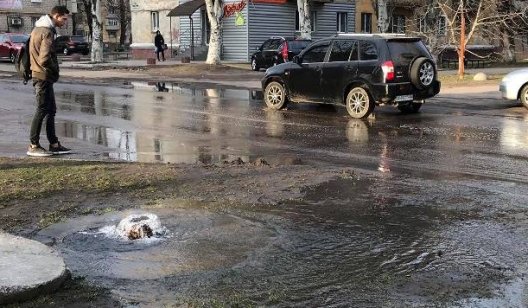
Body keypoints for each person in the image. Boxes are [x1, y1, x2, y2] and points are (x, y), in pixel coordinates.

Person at [27, 5, 71, 157]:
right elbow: (44, 58)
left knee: (50, 111)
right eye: (64, 19)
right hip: (42, 76)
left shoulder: (37, 29)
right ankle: (33, 145)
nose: (65, 22)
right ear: (56, 16)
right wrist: (55, 70)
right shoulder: (47, 32)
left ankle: (54, 144)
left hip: (40, 75)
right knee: (42, 110)